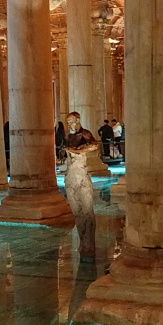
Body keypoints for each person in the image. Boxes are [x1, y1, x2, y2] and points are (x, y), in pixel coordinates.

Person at [64, 112, 99, 261]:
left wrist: (77, 151)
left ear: (78, 120)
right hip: (70, 176)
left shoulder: (84, 133)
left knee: (87, 211)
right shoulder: (70, 136)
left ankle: (89, 242)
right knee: (77, 212)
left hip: (81, 174)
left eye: (72, 121)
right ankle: (82, 241)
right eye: (68, 122)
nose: (70, 124)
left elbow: (94, 145)